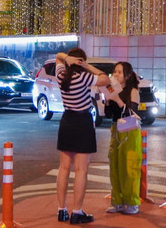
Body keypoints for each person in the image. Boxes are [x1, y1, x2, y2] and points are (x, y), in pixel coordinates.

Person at [54, 48, 111, 224]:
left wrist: (66, 58)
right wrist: (87, 66)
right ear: (81, 61)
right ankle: (77, 212)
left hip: (67, 120)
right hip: (83, 122)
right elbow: (105, 79)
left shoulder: (61, 75)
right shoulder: (84, 77)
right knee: (81, 169)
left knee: (64, 168)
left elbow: (58, 57)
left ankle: (61, 210)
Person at [105, 61, 141, 215]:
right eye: (115, 72)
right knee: (115, 166)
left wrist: (117, 100)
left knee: (130, 167)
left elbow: (131, 113)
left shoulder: (133, 91)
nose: (116, 75)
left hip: (129, 129)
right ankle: (117, 201)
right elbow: (108, 114)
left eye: (119, 72)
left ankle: (131, 202)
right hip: (115, 128)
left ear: (127, 75)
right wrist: (107, 100)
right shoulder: (112, 90)